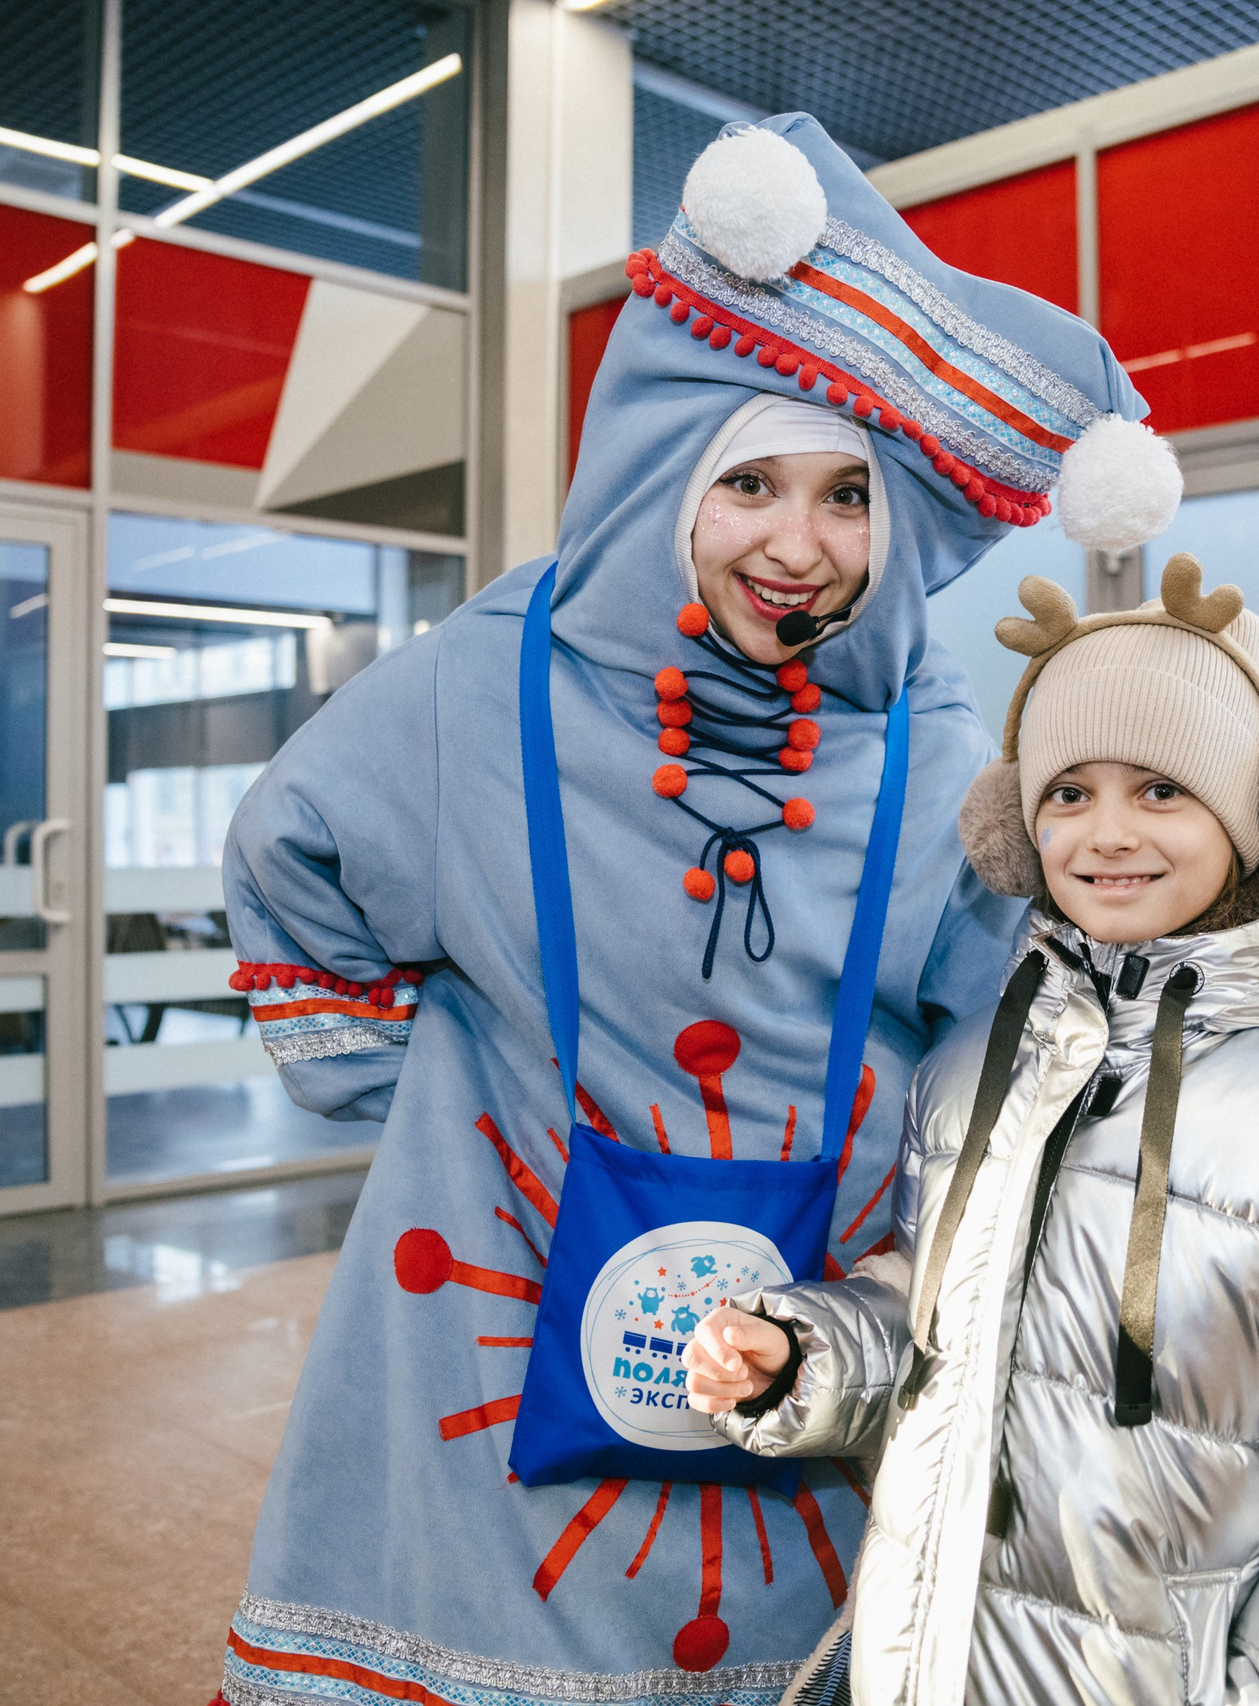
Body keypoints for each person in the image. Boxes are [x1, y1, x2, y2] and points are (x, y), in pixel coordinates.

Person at [210, 116, 1183, 1706]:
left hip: (815, 1342)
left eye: (848, 500)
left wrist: (907, 1205)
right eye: (750, 484)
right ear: (669, 476)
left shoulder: (939, 745)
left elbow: (994, 1008)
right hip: (496, 1317)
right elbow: (289, 854)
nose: (798, 548)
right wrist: (432, 1097)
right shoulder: (488, 683)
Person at [686, 557, 1259, 1705]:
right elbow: (940, 1315)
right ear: (1015, 823)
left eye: (1162, 790)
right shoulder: (970, 1067)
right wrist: (810, 1350)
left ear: (1258, 811)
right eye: (1068, 792)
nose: (1107, 832)